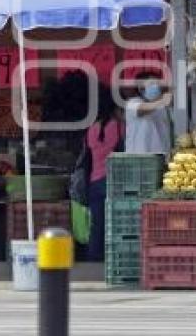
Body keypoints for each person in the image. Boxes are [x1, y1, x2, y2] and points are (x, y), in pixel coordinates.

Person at [84, 85, 124, 261]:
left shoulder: (92, 128)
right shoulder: (118, 127)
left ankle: (93, 257)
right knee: (115, 221)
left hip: (94, 180)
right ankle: (113, 256)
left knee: (97, 223)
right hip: (113, 179)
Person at [124, 73, 172, 158]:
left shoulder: (162, 107)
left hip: (160, 157)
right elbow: (142, 109)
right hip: (138, 158)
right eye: (152, 84)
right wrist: (162, 100)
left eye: (157, 84)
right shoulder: (132, 103)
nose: (156, 87)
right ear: (141, 88)